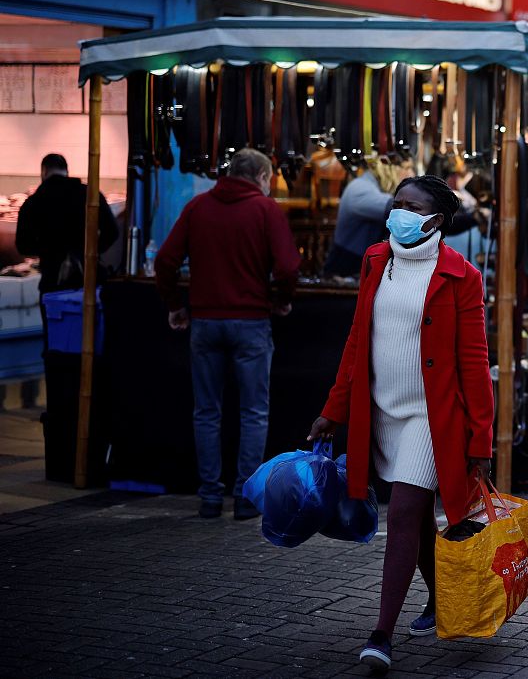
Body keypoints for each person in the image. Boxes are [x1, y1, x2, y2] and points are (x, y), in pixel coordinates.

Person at [307, 175, 493, 672]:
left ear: (435, 220)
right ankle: (439, 597)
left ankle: (381, 634)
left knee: (403, 513)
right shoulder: (374, 260)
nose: (399, 213)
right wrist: (334, 408)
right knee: (413, 520)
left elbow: (474, 362)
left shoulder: (462, 276)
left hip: (430, 420)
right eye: (397, 203)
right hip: (381, 410)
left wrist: (481, 438)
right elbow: (356, 342)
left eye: (411, 207)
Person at [155, 149, 301, 520]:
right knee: (253, 412)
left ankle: (209, 497)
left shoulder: (198, 207)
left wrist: (176, 304)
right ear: (262, 177)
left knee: (206, 411)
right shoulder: (266, 210)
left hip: (204, 322)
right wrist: (281, 300)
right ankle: (245, 497)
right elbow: (287, 266)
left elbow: (166, 261)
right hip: (251, 322)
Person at [15, 153, 119, 339]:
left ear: (43, 172)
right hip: (88, 280)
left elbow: (23, 245)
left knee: (55, 341)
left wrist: (47, 250)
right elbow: (113, 232)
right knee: (90, 339)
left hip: (53, 282)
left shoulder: (33, 203)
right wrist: (90, 252)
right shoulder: (89, 194)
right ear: (67, 171)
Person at [323, 163, 396, 277]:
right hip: (345, 269)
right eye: (405, 168)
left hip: (355, 264)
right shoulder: (360, 187)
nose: (409, 173)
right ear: (385, 169)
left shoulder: (369, 185)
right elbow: (393, 208)